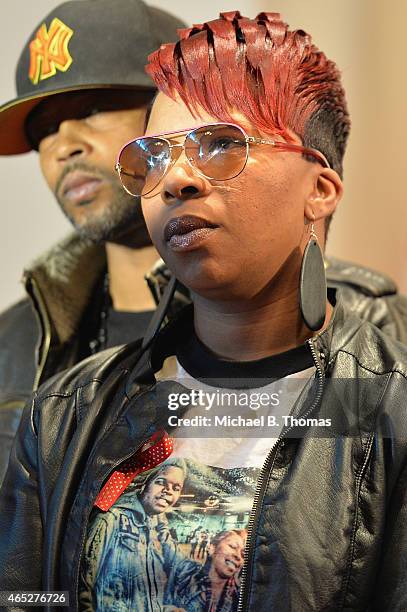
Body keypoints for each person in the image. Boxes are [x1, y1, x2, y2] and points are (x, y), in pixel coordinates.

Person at [0, 10, 407, 612]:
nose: (176, 179)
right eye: (153, 157)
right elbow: (27, 596)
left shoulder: (382, 400)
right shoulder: (66, 408)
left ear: (318, 190)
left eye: (219, 146)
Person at [0, 0, 186, 485]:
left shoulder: (331, 321)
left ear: (176, 112)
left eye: (93, 109)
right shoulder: (12, 344)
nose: (63, 146)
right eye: (43, 130)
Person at [80, 459, 187, 611]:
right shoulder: (111, 519)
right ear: (145, 483)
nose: (168, 491)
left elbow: (142, 595)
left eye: (176, 488)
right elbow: (82, 584)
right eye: (161, 482)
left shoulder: (157, 530)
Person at [165, 529, 247, 612]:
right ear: (212, 548)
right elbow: (165, 540)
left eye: (243, 554)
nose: (238, 556)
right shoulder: (186, 570)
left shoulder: (240, 598)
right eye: (232, 546)